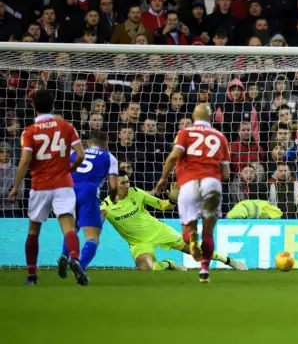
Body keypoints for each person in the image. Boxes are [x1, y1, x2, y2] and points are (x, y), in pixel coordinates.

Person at [8, 89, 88, 285]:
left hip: (40, 185)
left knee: (34, 229)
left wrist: (16, 186)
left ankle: (32, 276)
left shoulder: (29, 131)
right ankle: (75, 258)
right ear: (53, 105)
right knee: (68, 226)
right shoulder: (66, 126)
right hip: (63, 184)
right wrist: (71, 168)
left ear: (33, 106)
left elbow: (25, 161)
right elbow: (81, 155)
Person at [156, 103, 240, 283]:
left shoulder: (185, 133)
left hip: (189, 183)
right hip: (212, 183)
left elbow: (173, 156)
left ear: (194, 117)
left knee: (188, 229)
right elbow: (226, 174)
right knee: (209, 233)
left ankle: (191, 238)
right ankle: (204, 269)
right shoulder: (220, 137)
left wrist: (163, 178)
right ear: (211, 118)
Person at [102, 171, 245, 271]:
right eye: (123, 183)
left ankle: (228, 260)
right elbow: (96, 224)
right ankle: (168, 264)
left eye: (128, 182)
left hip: (159, 231)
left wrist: (172, 200)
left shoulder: (136, 193)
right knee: (146, 268)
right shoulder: (105, 206)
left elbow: (162, 206)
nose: (127, 186)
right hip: (139, 243)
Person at [57, 131, 118, 278]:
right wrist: (112, 197)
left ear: (88, 143)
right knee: (93, 236)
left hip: (68, 191)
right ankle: (80, 266)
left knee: (72, 229)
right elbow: (114, 186)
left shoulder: (74, 153)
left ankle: (65, 255)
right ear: (106, 144)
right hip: (89, 192)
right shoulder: (109, 157)